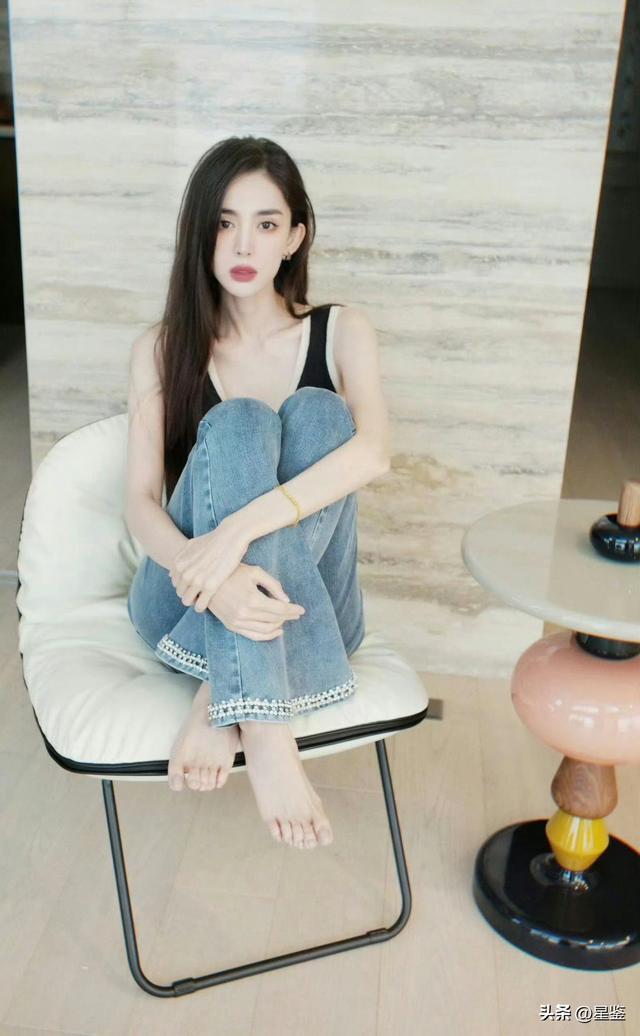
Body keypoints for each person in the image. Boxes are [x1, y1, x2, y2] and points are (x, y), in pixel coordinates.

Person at [125, 136, 391, 851]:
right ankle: (270, 735)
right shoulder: (162, 348)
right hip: (184, 598)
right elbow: (140, 503)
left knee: (324, 416)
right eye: (224, 222)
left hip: (314, 605)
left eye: (266, 223)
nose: (244, 244)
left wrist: (237, 536)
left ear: (294, 236)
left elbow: (374, 452)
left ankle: (222, 692)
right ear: (200, 231)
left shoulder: (341, 331)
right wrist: (213, 581)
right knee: (241, 421)